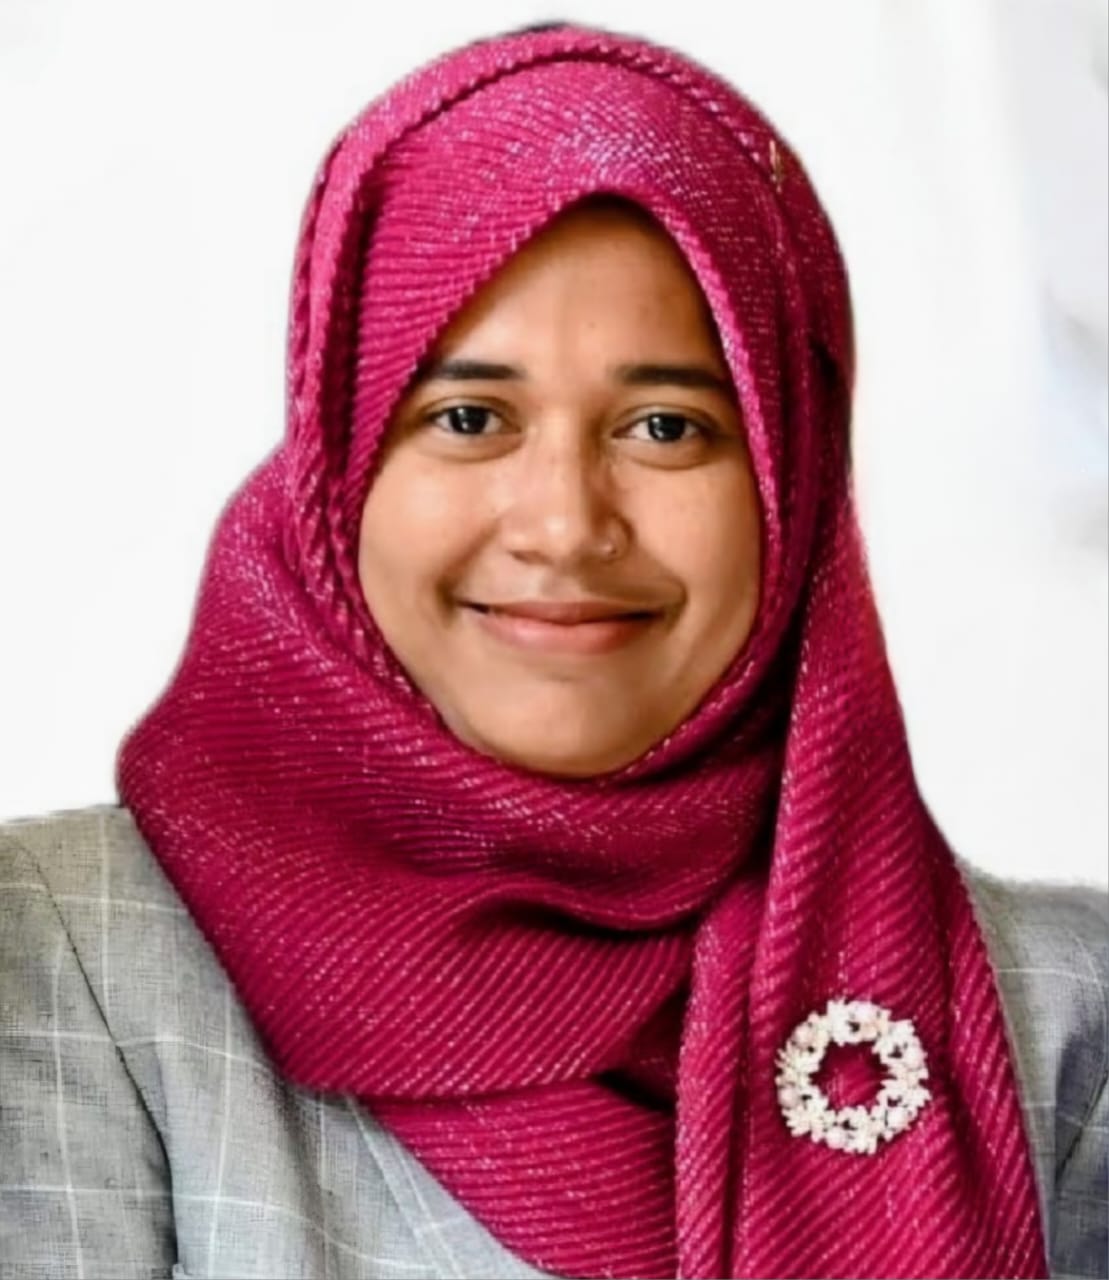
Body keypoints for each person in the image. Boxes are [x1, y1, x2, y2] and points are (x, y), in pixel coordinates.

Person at [1, 21, 1104, 1280]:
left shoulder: (1059, 1019)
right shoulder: (70, 957)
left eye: (665, 425)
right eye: (469, 416)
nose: (566, 524)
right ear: (339, 466)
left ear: (791, 479)